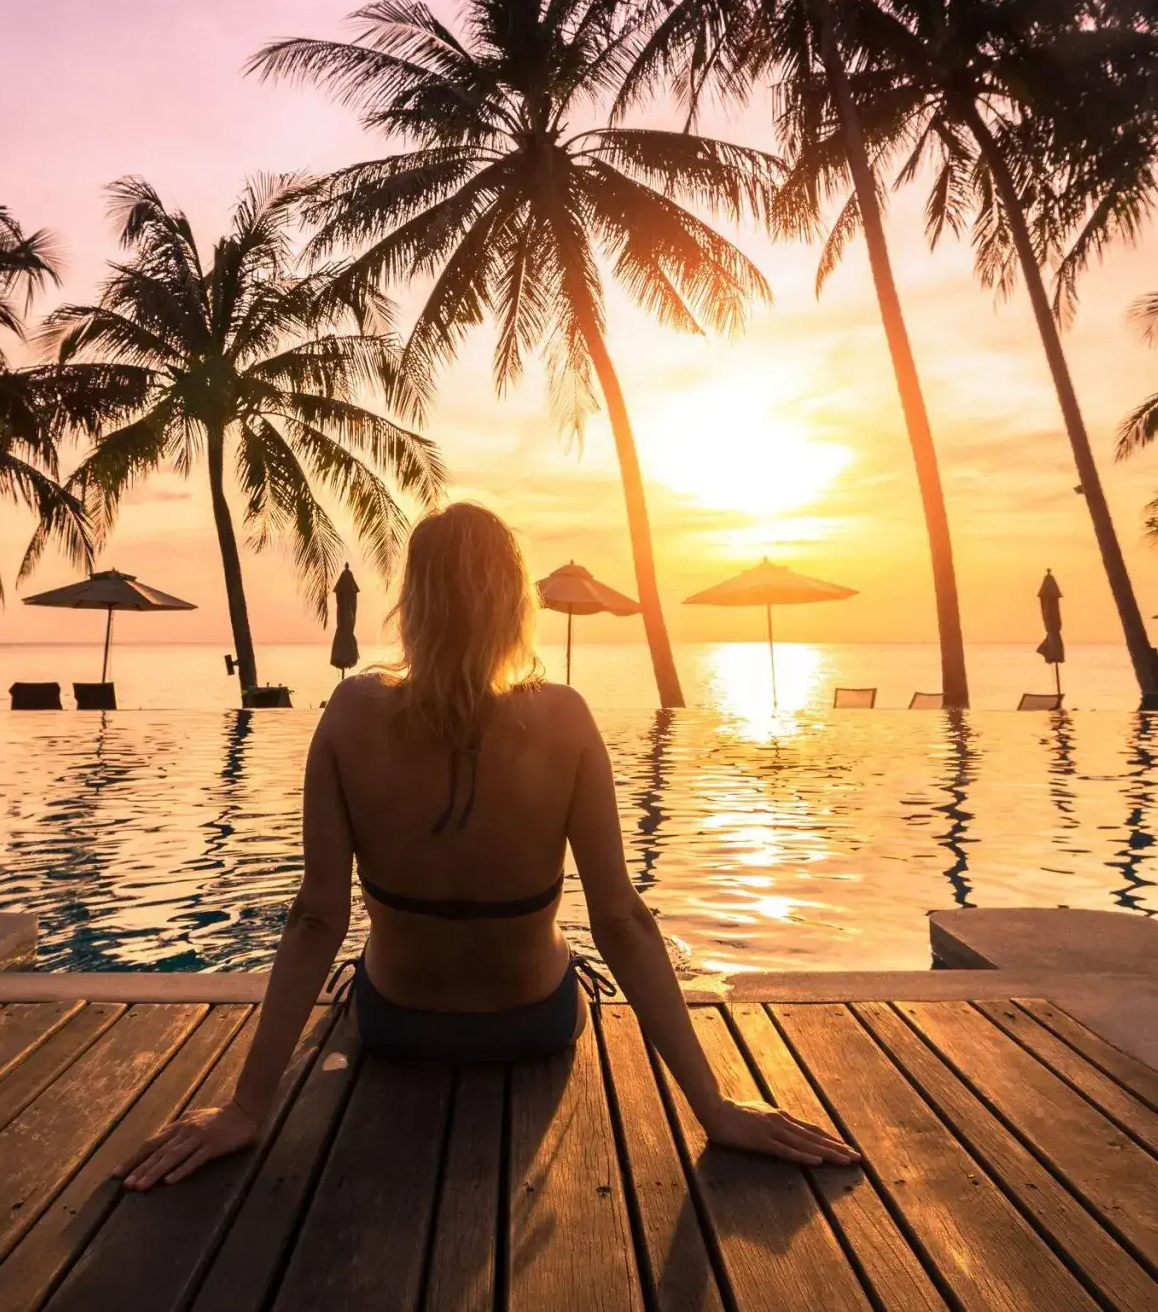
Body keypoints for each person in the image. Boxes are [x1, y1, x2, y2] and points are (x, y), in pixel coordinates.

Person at [121, 501, 857, 1191]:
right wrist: (714, 1107)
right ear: (514, 606)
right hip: (531, 1023)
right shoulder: (563, 718)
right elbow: (622, 920)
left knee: (368, 957)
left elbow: (317, 917)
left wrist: (246, 1108)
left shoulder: (349, 713)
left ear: (412, 603)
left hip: (394, 1022)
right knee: (560, 934)